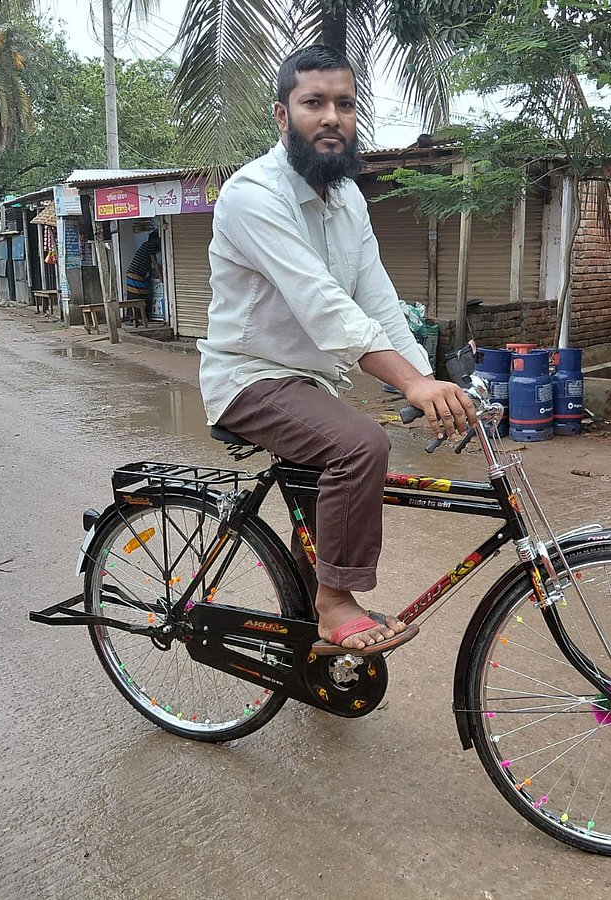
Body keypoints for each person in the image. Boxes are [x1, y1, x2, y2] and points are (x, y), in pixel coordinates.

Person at [199, 45, 475, 654]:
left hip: (309, 383)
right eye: (314, 103)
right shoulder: (253, 195)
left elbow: (380, 303)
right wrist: (410, 384)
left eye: (345, 105)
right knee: (359, 444)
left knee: (327, 505)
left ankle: (313, 644)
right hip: (248, 378)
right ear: (282, 115)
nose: (331, 117)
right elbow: (325, 306)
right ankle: (335, 602)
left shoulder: (348, 200)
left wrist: (430, 384)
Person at [125, 230, 161, 308]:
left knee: (134, 298)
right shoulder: (151, 245)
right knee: (139, 297)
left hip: (134, 274)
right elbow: (155, 263)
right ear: (155, 240)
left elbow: (149, 265)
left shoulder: (146, 245)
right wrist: (161, 277)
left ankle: (136, 315)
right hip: (135, 275)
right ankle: (139, 315)